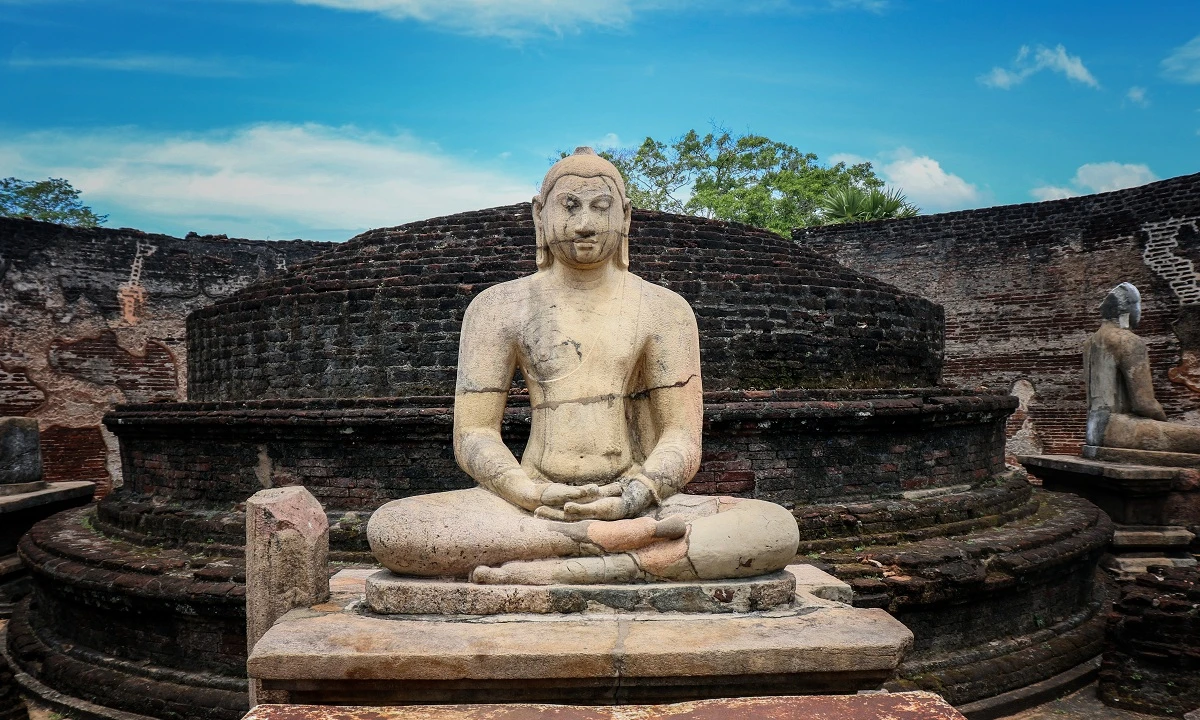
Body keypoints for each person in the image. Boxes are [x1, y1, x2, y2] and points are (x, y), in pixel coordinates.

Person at [367, 148, 798, 584]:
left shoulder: (665, 309)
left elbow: (681, 438)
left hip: (635, 497)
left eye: (601, 207)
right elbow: (474, 433)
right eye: (569, 206)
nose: (585, 223)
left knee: (774, 528)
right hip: (531, 501)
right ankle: (606, 548)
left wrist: (636, 496)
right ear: (539, 215)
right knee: (395, 529)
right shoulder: (497, 307)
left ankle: (588, 561)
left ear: (625, 217)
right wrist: (527, 492)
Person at [1084, 282, 1200, 453]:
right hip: (1117, 429)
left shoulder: (1090, 343)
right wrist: (1163, 422)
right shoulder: (1128, 340)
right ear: (1127, 310)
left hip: (1093, 429)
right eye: (1138, 306)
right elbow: (1144, 404)